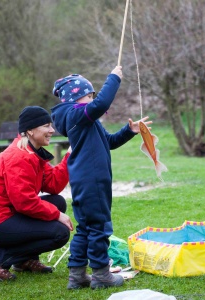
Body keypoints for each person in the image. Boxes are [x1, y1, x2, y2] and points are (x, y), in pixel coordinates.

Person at [51, 66, 150, 289]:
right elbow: (102, 104)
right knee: (99, 227)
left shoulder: (87, 121)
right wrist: (114, 78)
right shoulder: (75, 114)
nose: (93, 99)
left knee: (86, 228)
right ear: (76, 98)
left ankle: (77, 276)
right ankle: (101, 274)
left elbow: (110, 142)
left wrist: (129, 131)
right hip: (92, 180)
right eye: (89, 95)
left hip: (87, 180)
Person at [0, 106, 74, 282]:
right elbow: (24, 202)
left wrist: (69, 157)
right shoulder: (19, 157)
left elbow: (53, 184)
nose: (51, 130)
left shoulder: (33, 152)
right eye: (46, 126)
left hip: (10, 212)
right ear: (30, 130)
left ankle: (25, 261)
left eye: (51, 125)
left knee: (57, 201)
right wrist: (57, 215)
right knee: (60, 233)